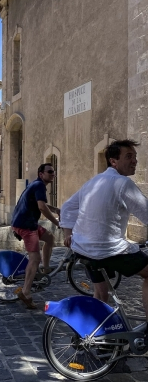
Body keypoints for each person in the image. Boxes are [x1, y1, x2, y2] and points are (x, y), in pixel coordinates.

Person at [60, 139, 148, 329]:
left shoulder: (93, 182)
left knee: (101, 293)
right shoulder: (122, 183)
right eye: (129, 156)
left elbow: (67, 207)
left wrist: (68, 233)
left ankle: (98, 335)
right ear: (113, 161)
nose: (135, 161)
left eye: (135, 157)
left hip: (83, 248)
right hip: (107, 249)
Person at [11, 163, 60, 309]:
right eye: (50, 172)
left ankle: (45, 269)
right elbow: (41, 207)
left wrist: (56, 209)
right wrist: (56, 222)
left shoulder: (37, 185)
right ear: (41, 174)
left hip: (28, 223)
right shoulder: (39, 186)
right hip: (25, 225)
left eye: (53, 172)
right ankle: (26, 292)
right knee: (35, 258)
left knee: (50, 238)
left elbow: (41, 203)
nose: (53, 174)